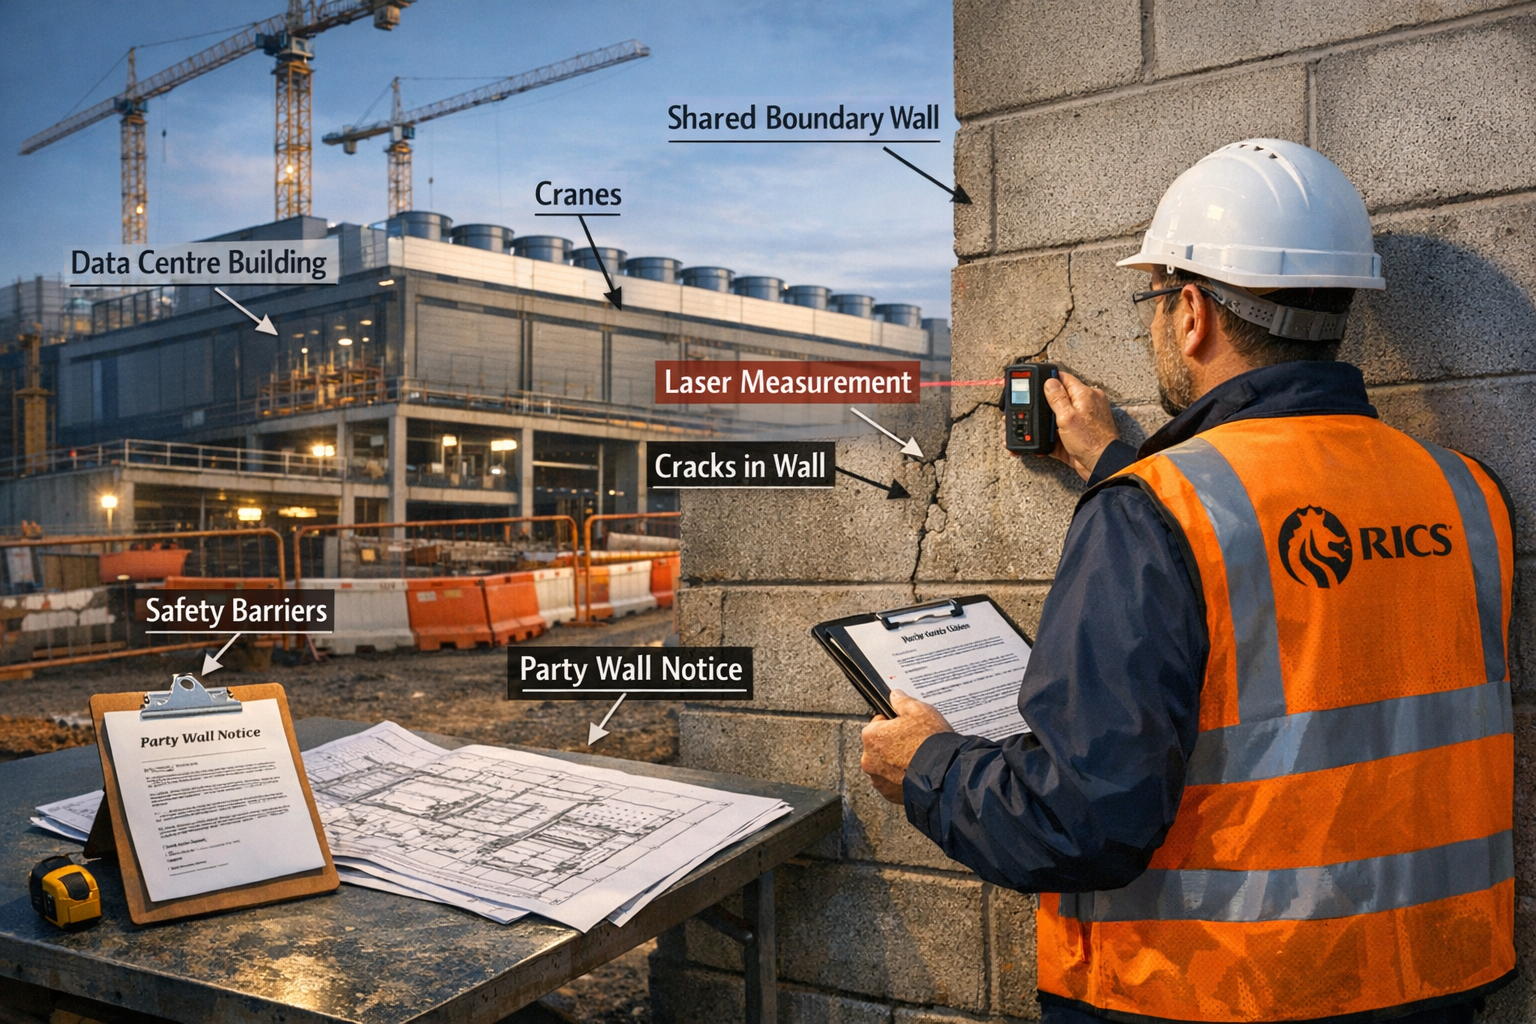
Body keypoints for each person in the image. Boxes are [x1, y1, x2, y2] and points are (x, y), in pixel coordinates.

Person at [860, 139, 1516, 1024]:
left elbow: (1083, 821)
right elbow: (1300, 597)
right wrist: (1123, 469)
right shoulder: (1465, 493)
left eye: (1157, 296)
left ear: (1194, 312)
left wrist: (928, 767)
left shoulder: (1150, 517)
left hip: (1219, 992)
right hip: (1430, 981)